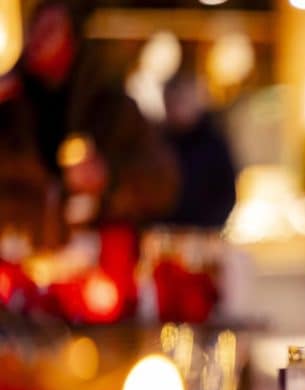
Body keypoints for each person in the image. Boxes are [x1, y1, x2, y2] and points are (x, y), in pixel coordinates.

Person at [0, 0, 178, 247]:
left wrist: (108, 178)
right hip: (16, 262)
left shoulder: (111, 107)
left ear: (72, 38)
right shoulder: (10, 105)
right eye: (35, 27)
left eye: (50, 28)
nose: (39, 38)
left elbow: (163, 182)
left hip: (92, 264)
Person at [162, 71, 238, 228]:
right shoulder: (160, 141)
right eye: (171, 102)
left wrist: (212, 224)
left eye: (181, 100)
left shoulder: (214, 144)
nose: (176, 108)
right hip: (166, 234)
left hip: (205, 232)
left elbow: (226, 192)